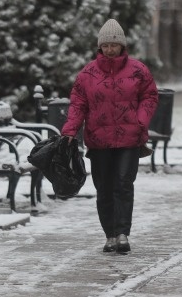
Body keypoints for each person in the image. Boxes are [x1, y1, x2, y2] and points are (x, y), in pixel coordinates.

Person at [62, 18, 158, 255]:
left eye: (114, 45)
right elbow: (78, 104)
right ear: (99, 47)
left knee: (124, 184)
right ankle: (110, 235)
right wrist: (70, 130)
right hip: (99, 139)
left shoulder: (138, 70)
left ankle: (123, 233)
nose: (110, 49)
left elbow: (150, 96)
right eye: (105, 45)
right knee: (104, 187)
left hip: (129, 138)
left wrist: (140, 120)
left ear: (122, 45)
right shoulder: (88, 74)